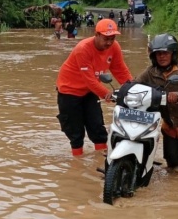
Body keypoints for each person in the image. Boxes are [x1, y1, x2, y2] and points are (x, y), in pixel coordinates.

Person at [56, 19, 133, 156]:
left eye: (112, 38)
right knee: (75, 133)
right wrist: (107, 94)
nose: (109, 42)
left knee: (97, 127)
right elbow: (90, 80)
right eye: (106, 38)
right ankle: (77, 163)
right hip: (69, 91)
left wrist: (133, 89)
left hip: (89, 91)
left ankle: (101, 159)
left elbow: (121, 70)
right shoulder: (83, 49)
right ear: (96, 34)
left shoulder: (114, 47)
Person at [134, 33, 178, 173]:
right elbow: (134, 84)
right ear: (153, 56)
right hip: (170, 126)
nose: (162, 56)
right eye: (158, 53)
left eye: (165, 53)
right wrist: (119, 92)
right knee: (172, 165)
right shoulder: (150, 72)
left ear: (173, 53)